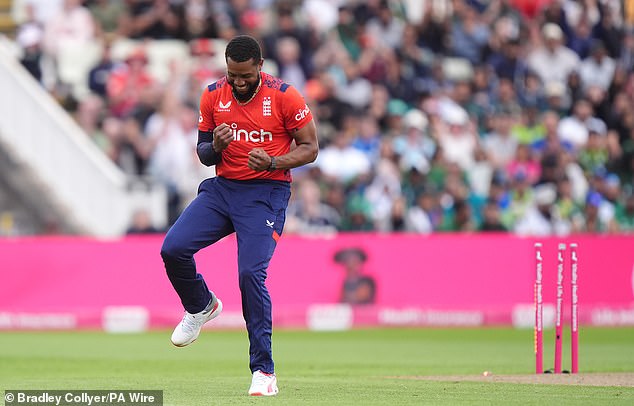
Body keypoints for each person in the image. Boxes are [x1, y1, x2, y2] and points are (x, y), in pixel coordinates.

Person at [160, 35, 318, 397]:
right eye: (233, 75)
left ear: (260, 67)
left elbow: (310, 148)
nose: (238, 82)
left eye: (245, 75)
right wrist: (216, 145)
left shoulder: (285, 96)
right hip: (223, 190)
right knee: (173, 249)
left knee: (250, 274)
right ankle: (201, 305)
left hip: (266, 194)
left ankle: (264, 371)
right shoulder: (213, 94)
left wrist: (275, 161)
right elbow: (203, 154)